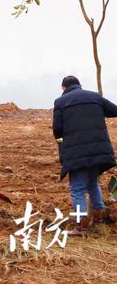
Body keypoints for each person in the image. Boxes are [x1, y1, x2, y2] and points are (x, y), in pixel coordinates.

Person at [53, 75, 117, 233]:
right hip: (100, 151)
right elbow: (114, 111)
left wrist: (61, 143)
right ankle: (100, 215)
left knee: (77, 188)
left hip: (77, 153)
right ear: (79, 85)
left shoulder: (60, 102)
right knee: (92, 183)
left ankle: (81, 224)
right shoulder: (95, 97)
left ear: (63, 87)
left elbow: (57, 129)